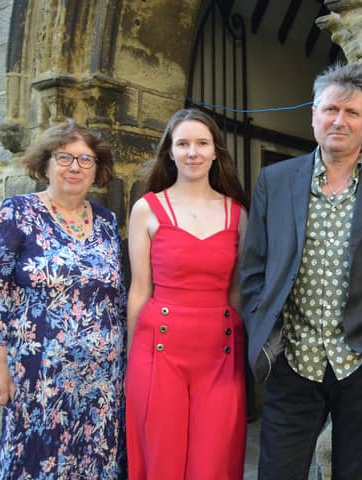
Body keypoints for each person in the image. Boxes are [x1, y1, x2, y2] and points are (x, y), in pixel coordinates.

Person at [240, 62, 362, 480]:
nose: (339, 120)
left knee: (355, 472)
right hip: (293, 360)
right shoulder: (274, 181)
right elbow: (254, 269)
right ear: (313, 114)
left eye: (352, 113)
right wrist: (265, 334)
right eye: (331, 109)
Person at [0, 120, 127, 479]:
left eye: (85, 159)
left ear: (97, 169)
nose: (75, 167)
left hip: (102, 376)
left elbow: (118, 296)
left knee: (95, 460)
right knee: (34, 460)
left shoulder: (107, 222)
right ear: (45, 164)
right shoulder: (18, 213)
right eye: (64, 157)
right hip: (38, 374)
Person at [125, 108, 249, 479]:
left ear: (215, 152)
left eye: (201, 143)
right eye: (183, 143)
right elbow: (139, 289)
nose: (192, 151)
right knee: (162, 457)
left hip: (221, 352)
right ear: (170, 152)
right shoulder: (146, 209)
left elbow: (238, 292)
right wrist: (132, 360)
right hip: (158, 351)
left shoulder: (237, 213)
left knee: (213, 461)